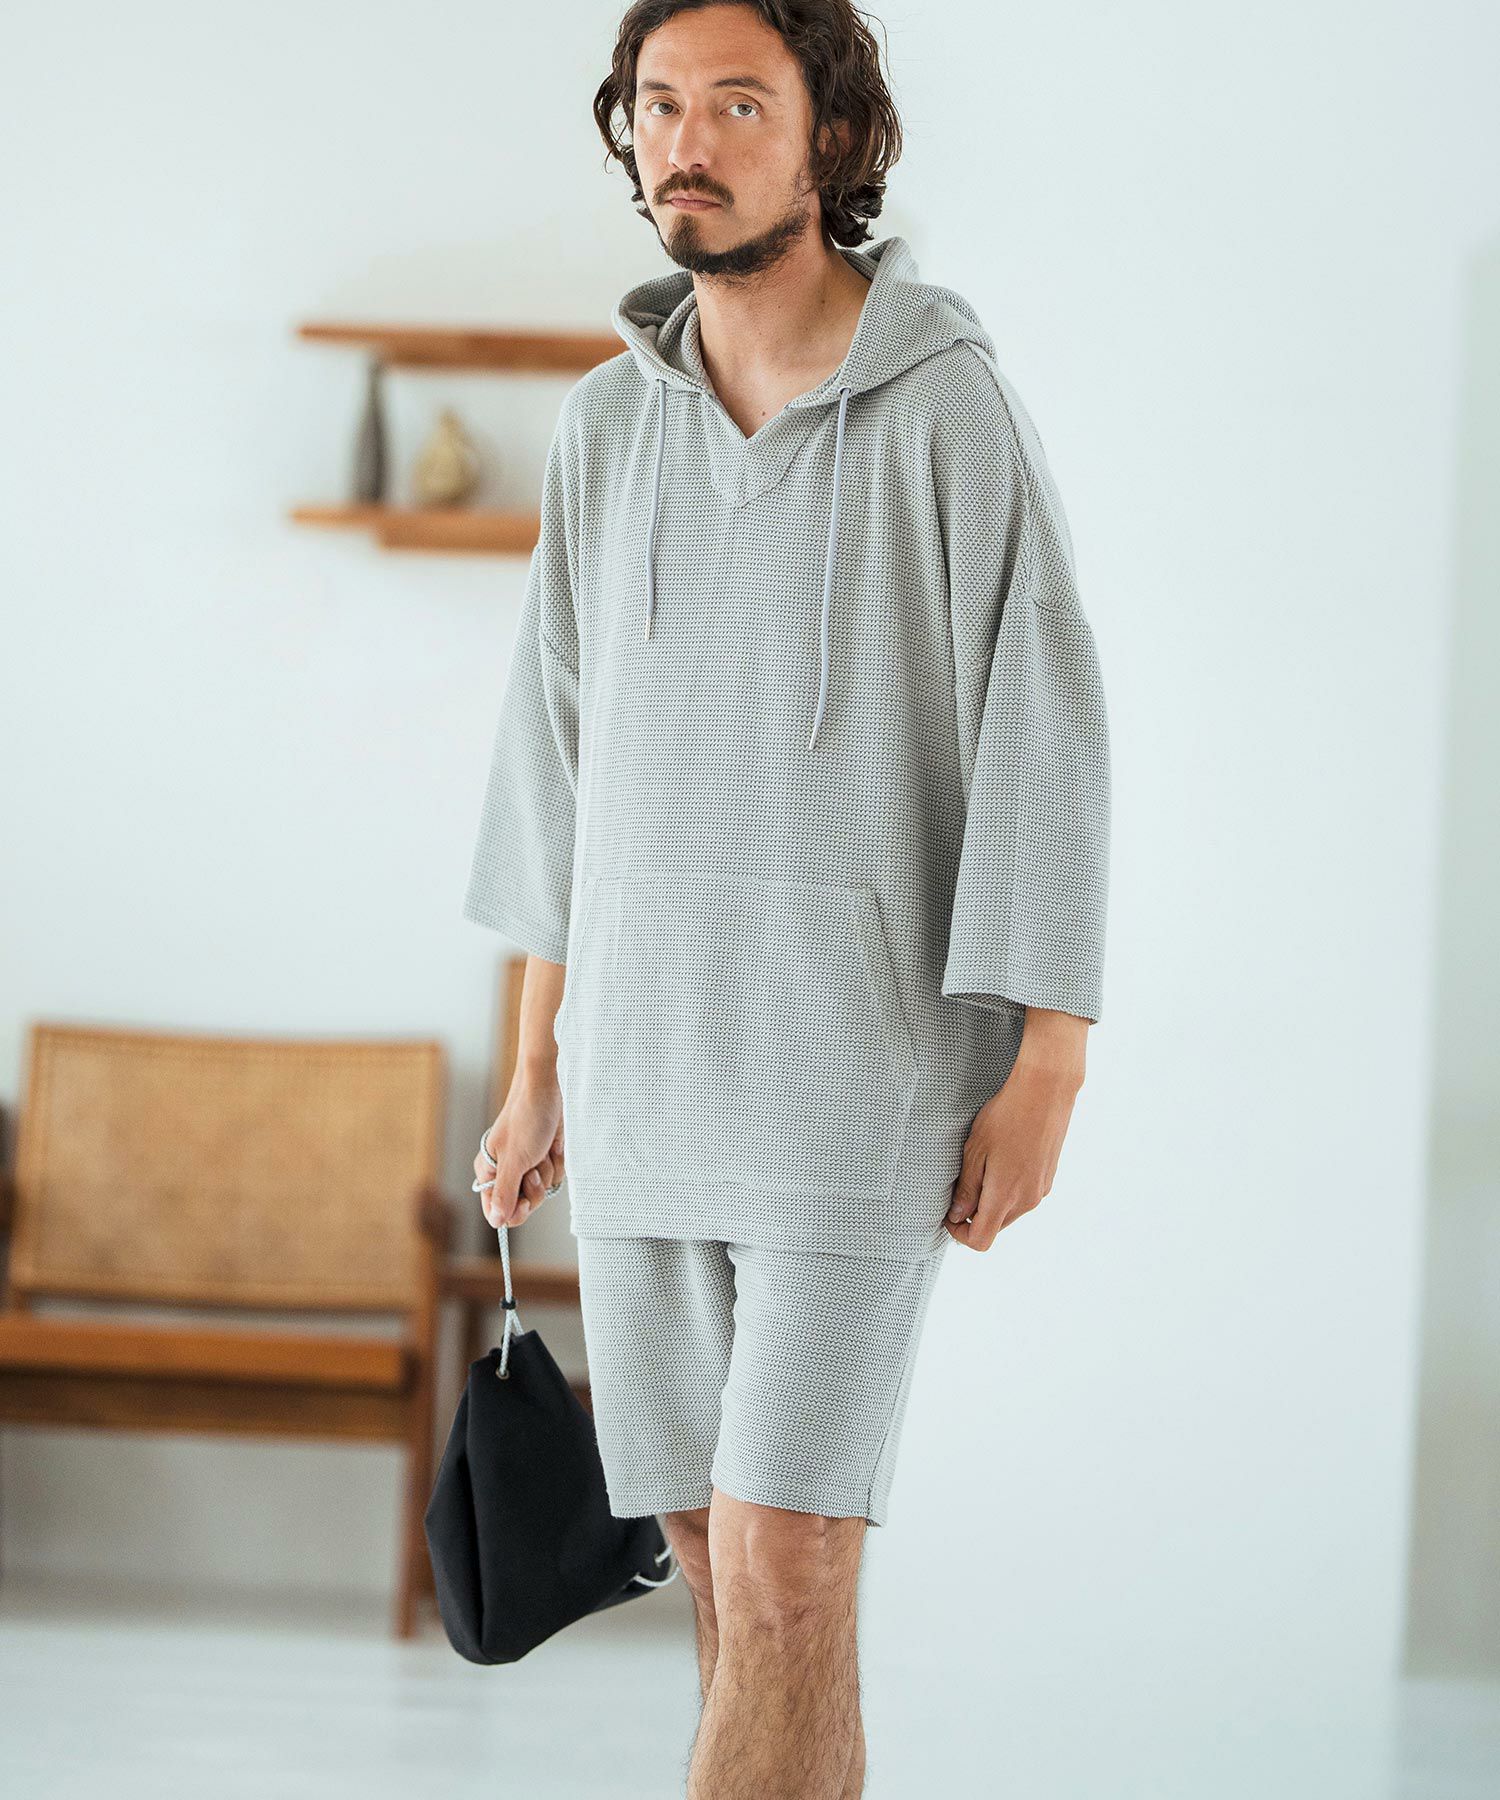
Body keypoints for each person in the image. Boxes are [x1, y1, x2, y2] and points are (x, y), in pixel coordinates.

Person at [465, 3, 1111, 1794]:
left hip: (861, 1073)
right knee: (717, 1568)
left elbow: (1044, 720)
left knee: (791, 1561)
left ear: (833, 136)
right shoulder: (606, 428)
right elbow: (556, 758)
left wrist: (1051, 1054)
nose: (688, 142)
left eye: (739, 103)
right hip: (644, 1069)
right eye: (659, 104)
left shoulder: (945, 404)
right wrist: (537, 1066)